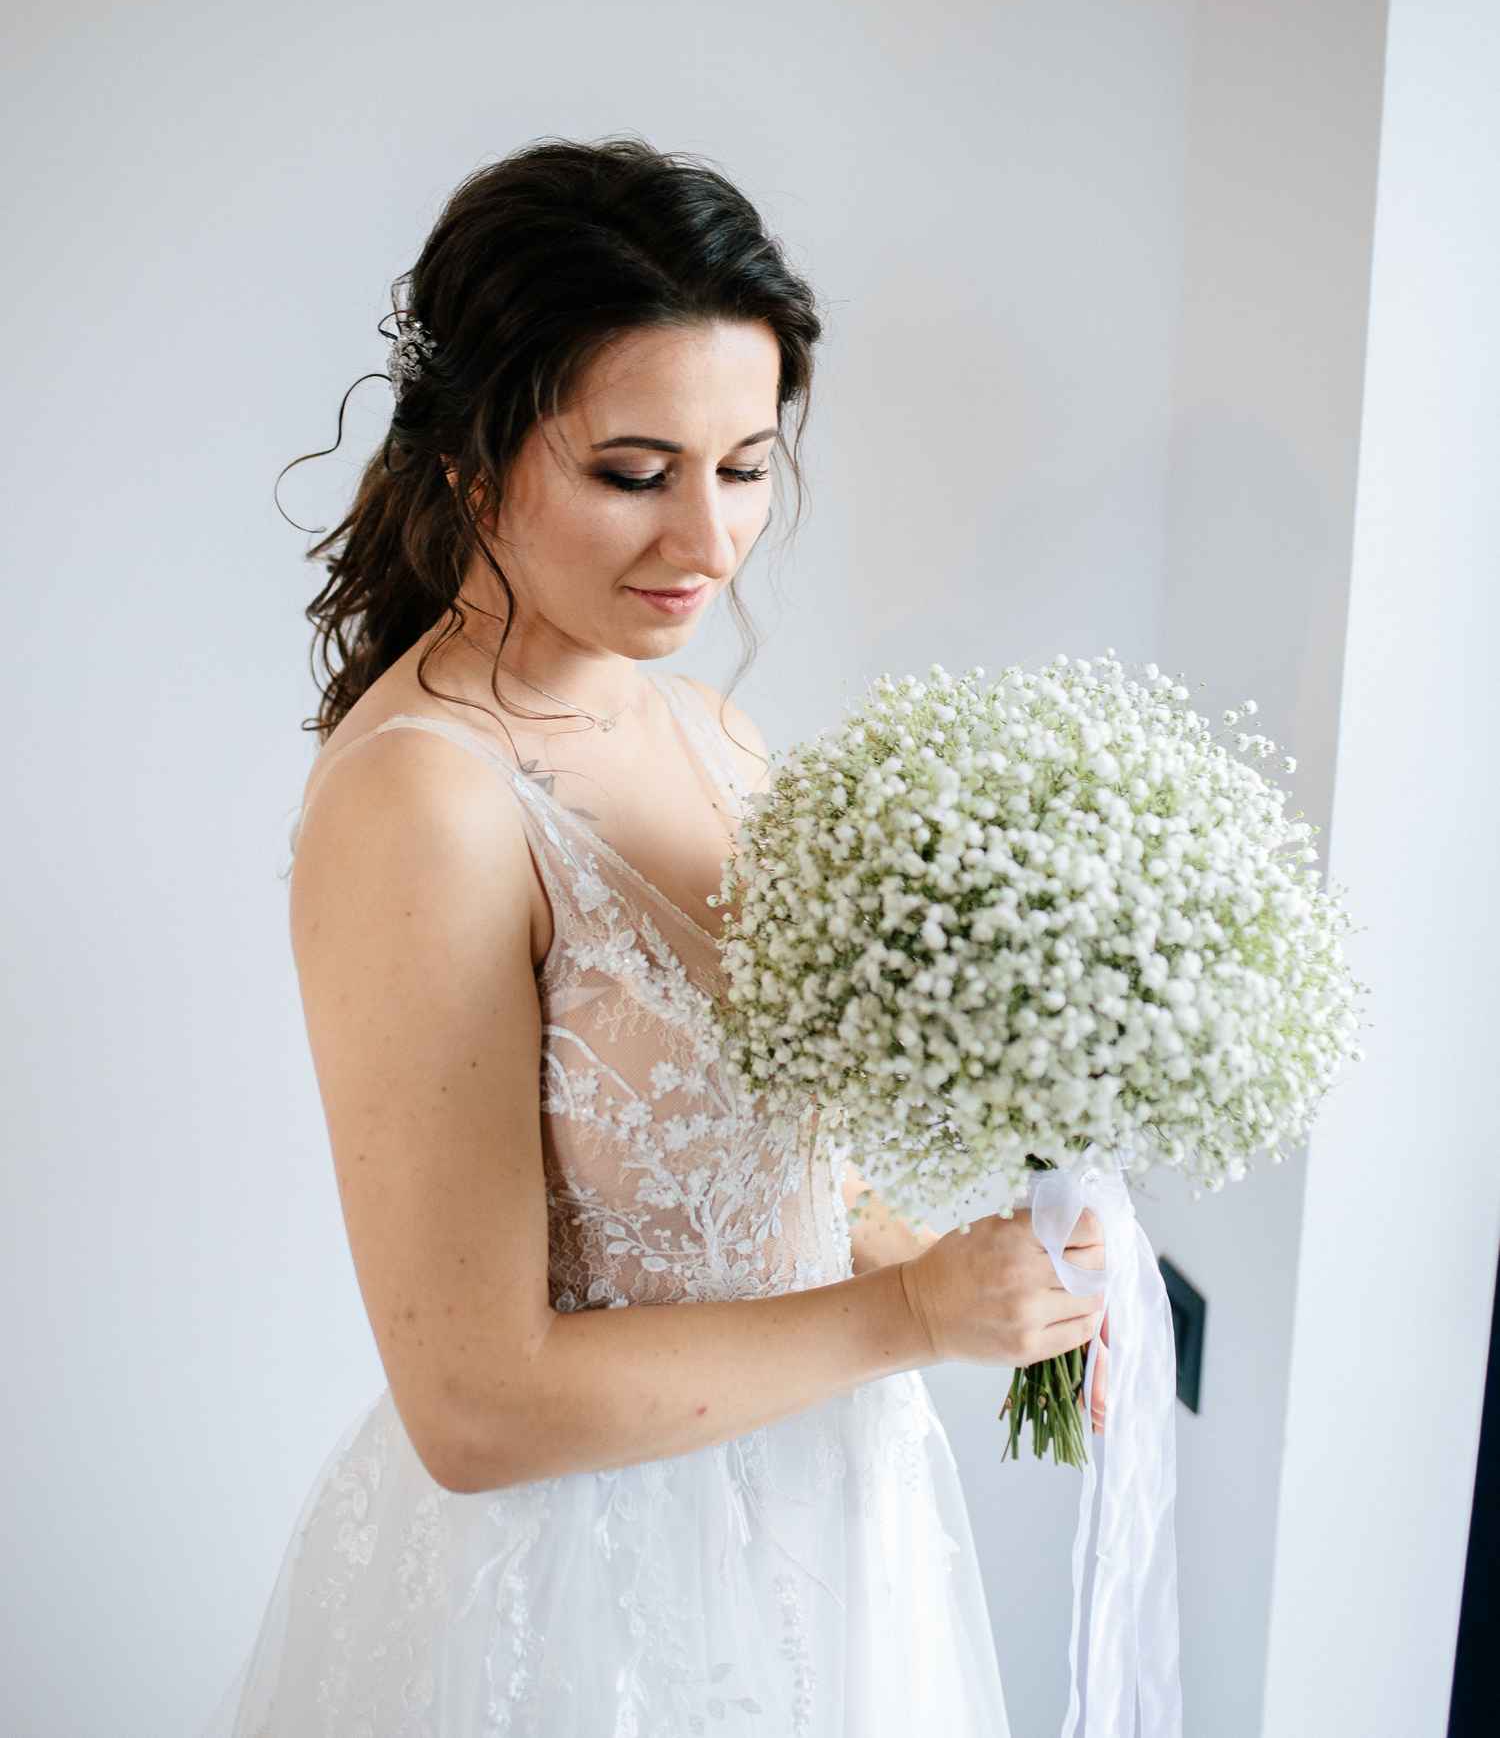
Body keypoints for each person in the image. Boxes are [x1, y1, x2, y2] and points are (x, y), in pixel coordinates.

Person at [199, 136, 1109, 1737]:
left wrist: (969, 1275)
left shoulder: (712, 736)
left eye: (745, 467)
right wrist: (906, 1321)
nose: (707, 541)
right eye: (635, 473)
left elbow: (785, 1184)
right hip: (582, 1608)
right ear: (473, 455)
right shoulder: (426, 803)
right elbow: (473, 1406)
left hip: (828, 1539)